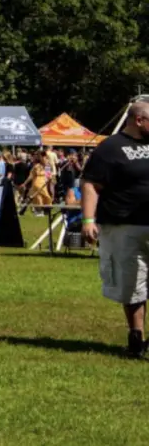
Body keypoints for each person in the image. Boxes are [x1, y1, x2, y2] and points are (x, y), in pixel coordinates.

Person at [81, 101, 149, 358]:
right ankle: (136, 336)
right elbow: (91, 185)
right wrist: (88, 220)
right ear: (139, 120)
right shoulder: (110, 148)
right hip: (124, 227)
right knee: (132, 285)